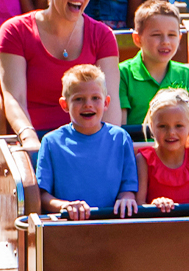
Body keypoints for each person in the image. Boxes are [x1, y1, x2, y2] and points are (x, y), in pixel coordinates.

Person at [0, 0, 123, 150]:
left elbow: (110, 103)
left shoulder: (102, 36)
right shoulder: (15, 31)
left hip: (88, 144)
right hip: (36, 143)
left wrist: (105, 146)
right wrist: (29, 138)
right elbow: (14, 98)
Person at [37, 64, 140, 220]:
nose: (88, 105)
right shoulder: (51, 142)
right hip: (68, 225)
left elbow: (129, 188)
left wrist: (126, 198)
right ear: (64, 105)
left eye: (95, 98)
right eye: (79, 99)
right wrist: (65, 206)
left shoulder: (121, 138)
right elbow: (43, 195)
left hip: (113, 224)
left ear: (106, 103)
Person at [119, 0, 189, 127]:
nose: (165, 41)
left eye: (171, 35)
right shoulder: (123, 73)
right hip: (138, 145)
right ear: (137, 39)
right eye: (156, 35)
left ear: (179, 38)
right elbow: (120, 127)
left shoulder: (183, 73)